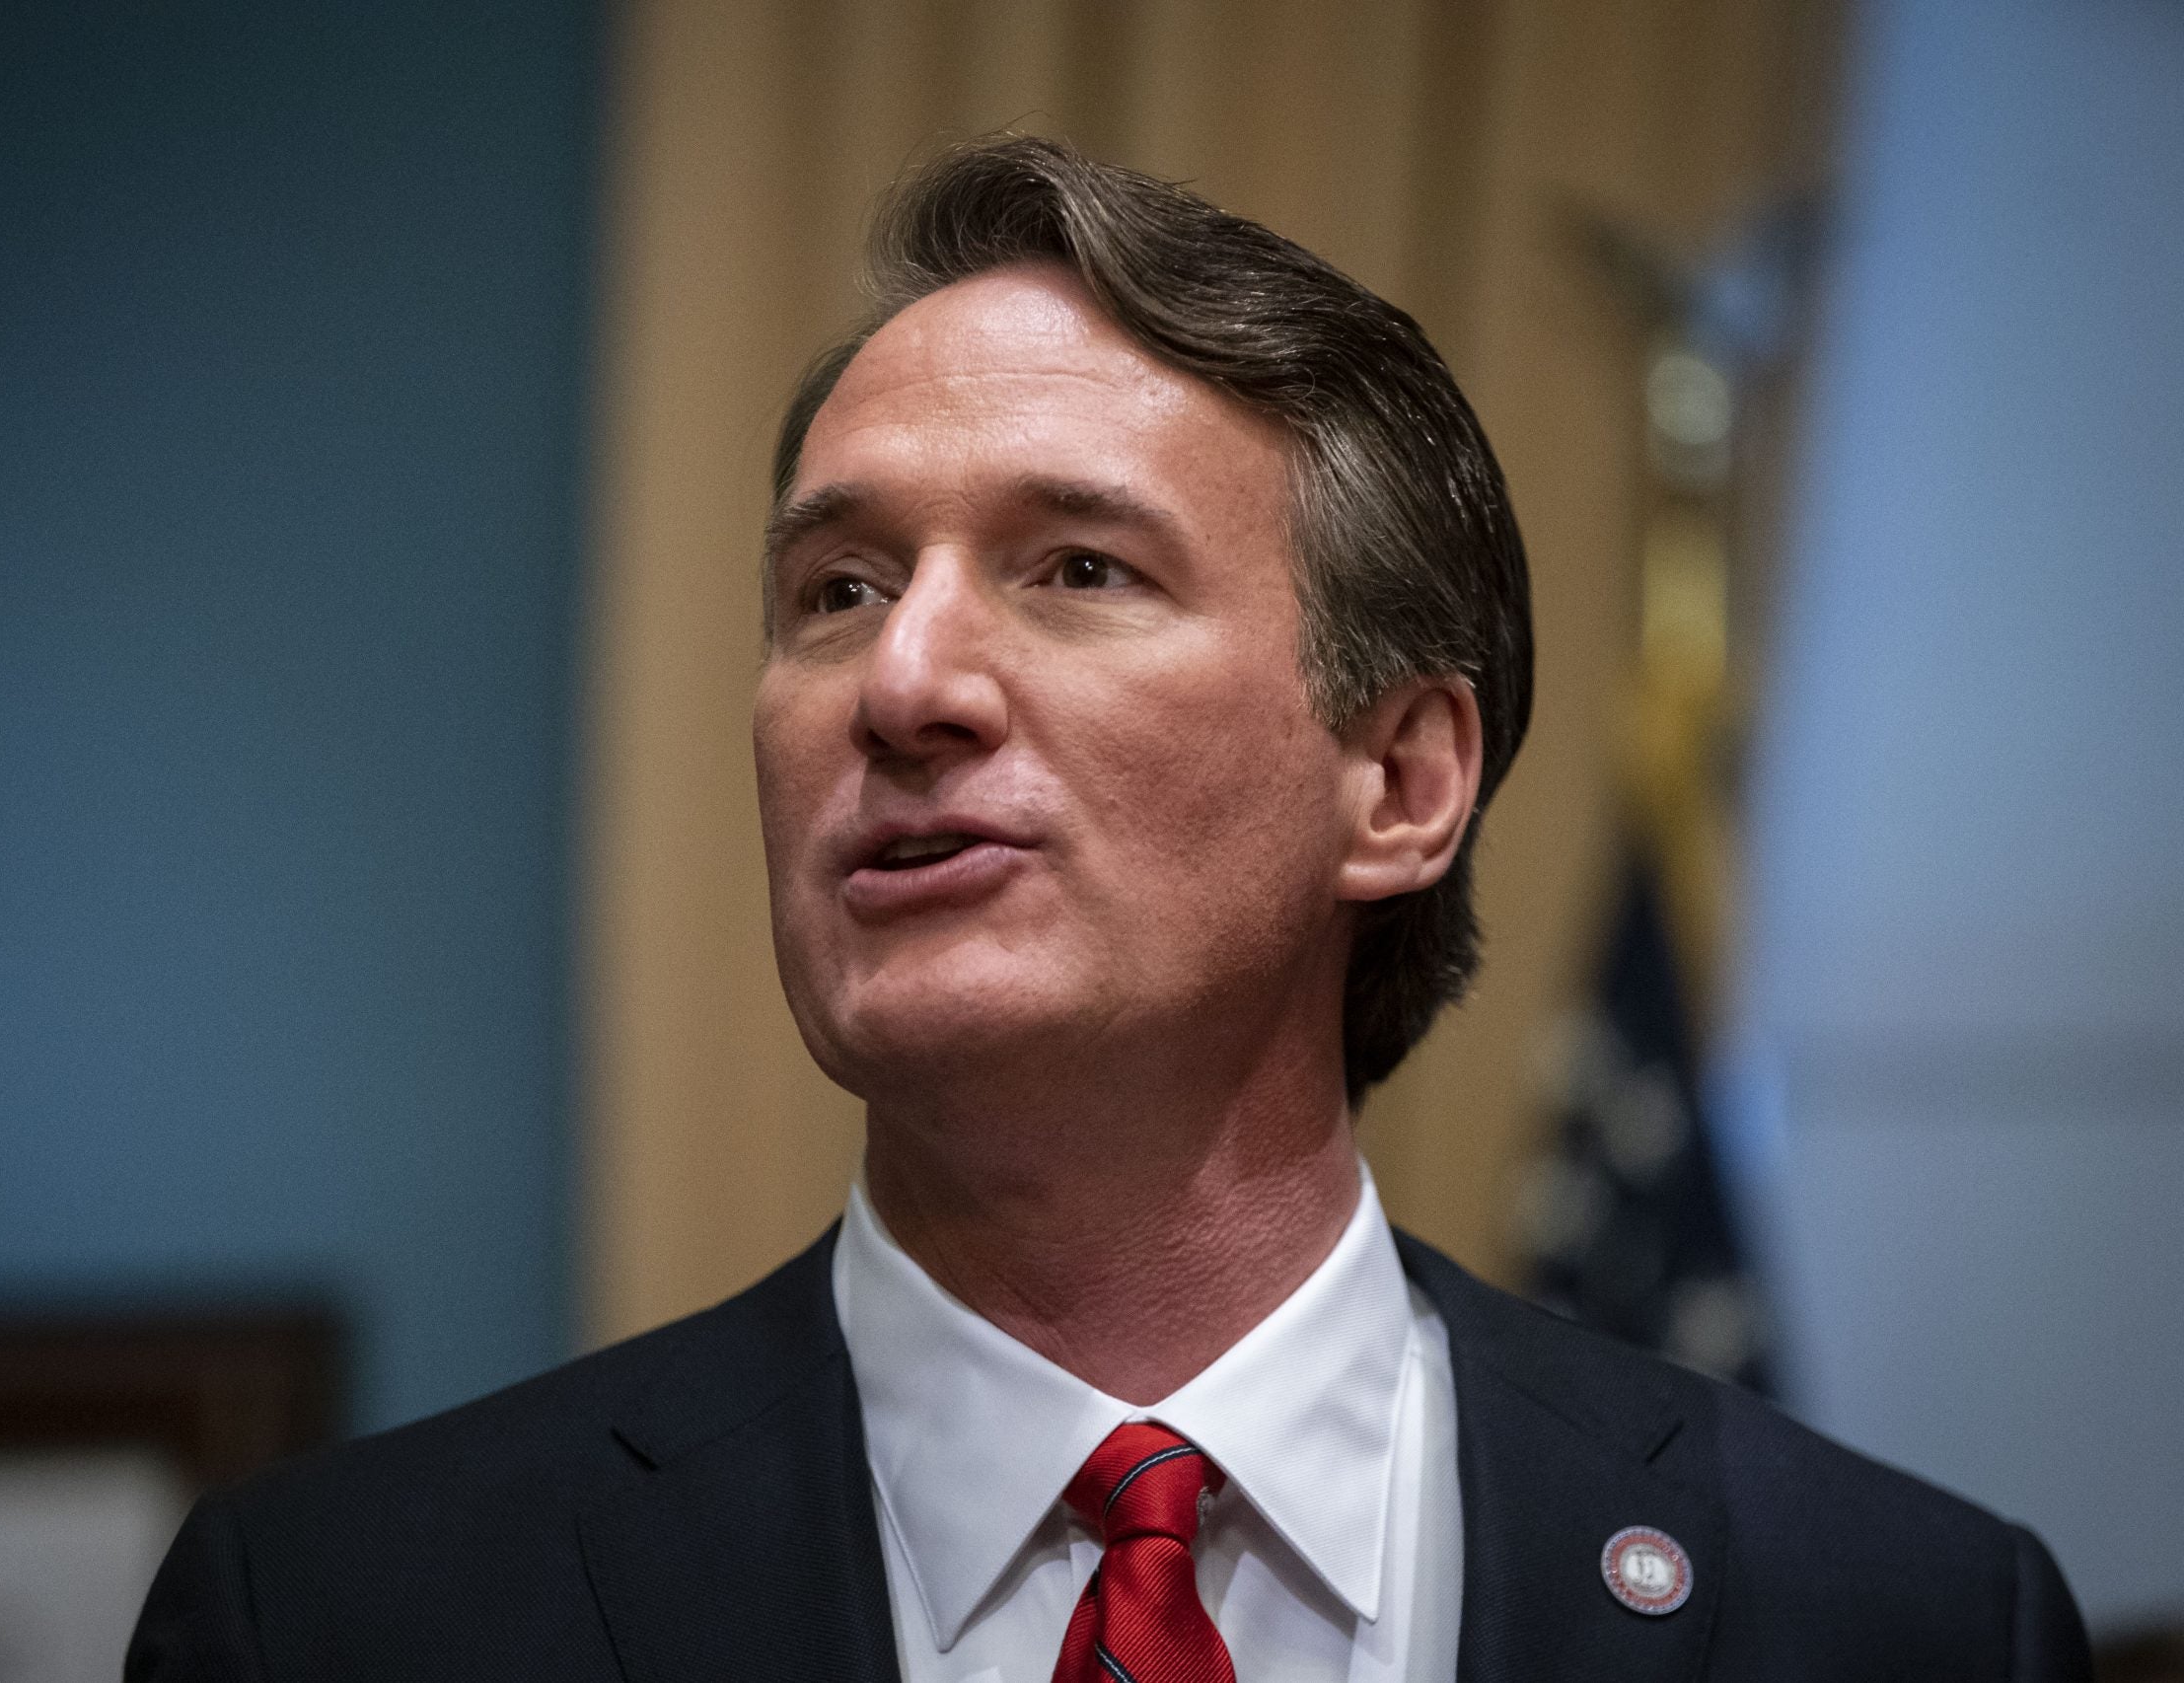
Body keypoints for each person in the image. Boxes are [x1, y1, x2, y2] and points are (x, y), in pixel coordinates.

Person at [127, 135, 2089, 1682]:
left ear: (1401, 780)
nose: (904, 682)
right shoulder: (340, 1619)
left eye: (1077, 569)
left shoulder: (1898, 1620)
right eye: (836, 590)